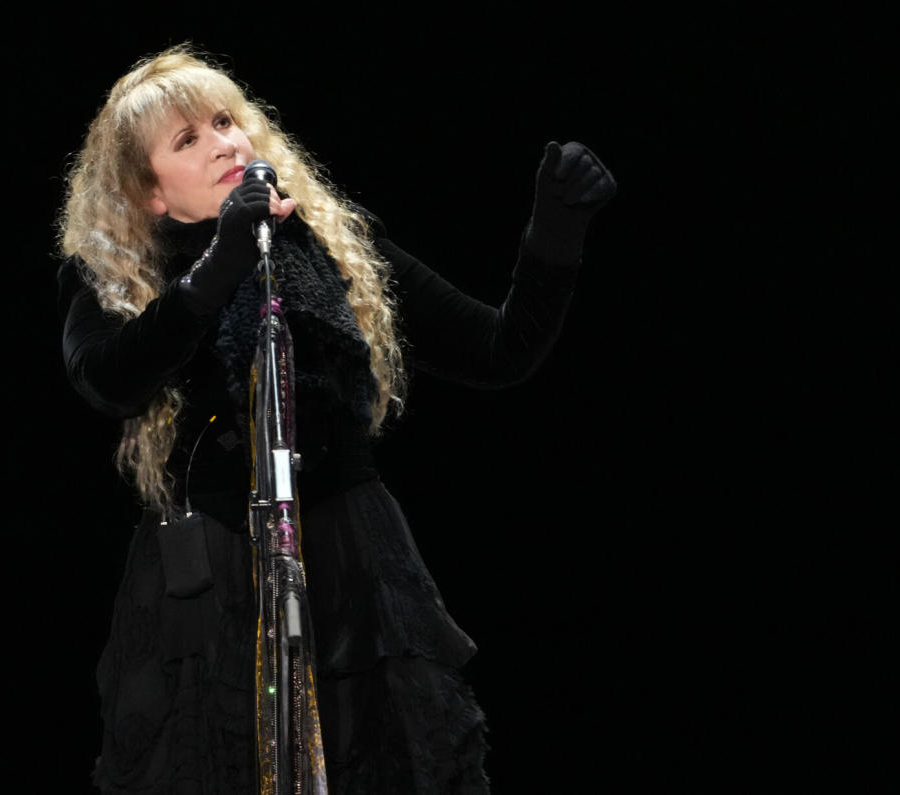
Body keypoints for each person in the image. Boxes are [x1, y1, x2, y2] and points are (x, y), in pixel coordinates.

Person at [56, 45, 615, 794]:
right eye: (188, 139)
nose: (224, 141)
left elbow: (498, 349)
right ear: (150, 193)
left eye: (226, 121)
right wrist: (220, 263)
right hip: (213, 571)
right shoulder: (119, 274)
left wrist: (556, 233)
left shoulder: (329, 245)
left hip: (351, 563)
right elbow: (108, 378)